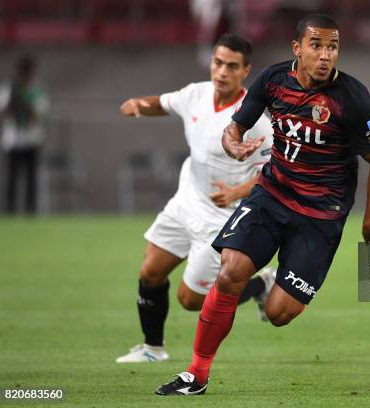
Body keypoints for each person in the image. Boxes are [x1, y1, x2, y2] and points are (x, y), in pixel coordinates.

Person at [156, 14, 370, 395]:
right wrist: (234, 147)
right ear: (296, 48)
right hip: (272, 194)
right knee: (230, 270)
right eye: (316, 45)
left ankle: (269, 286)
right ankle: (196, 374)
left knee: (281, 314)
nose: (326, 55)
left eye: (332, 46)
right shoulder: (272, 80)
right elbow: (234, 130)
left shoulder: (352, 97)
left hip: (320, 214)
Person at [115, 33, 276, 363]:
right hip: (186, 200)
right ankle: (152, 349)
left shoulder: (257, 121)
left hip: (222, 219)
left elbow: (272, 176)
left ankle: (261, 284)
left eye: (232, 66)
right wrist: (138, 106)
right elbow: (162, 103)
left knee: (190, 299)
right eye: (218, 63)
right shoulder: (195, 94)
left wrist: (236, 192)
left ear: (246, 71)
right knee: (150, 272)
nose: (222, 72)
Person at [0, 55, 49, 214]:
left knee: (31, 178)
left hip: (32, 140)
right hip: (13, 140)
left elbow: (39, 116)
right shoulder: (9, 89)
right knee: (12, 178)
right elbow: (2, 111)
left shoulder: (36, 90)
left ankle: (30, 211)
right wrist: (13, 103)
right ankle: (10, 211)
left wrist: (26, 105)